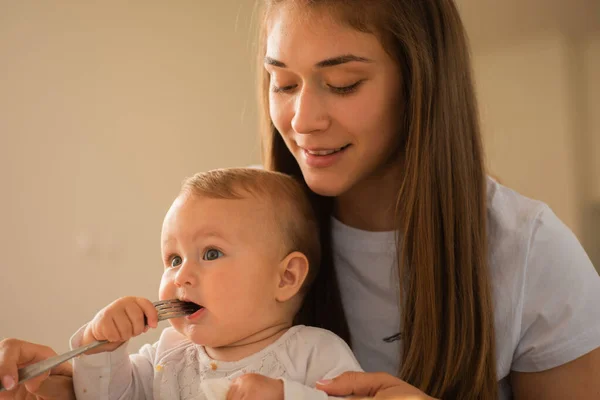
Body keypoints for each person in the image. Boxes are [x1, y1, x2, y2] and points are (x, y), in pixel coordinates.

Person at [1, 0, 599, 399]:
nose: (302, 119)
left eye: (343, 83)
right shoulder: (253, 231)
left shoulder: (530, 254)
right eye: (282, 82)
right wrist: (69, 379)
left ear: (421, 83)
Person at [70, 168, 361, 399]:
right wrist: (101, 346)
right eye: (174, 259)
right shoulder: (167, 355)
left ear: (286, 277)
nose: (181, 275)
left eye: (211, 253)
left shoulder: (315, 352)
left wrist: (285, 395)